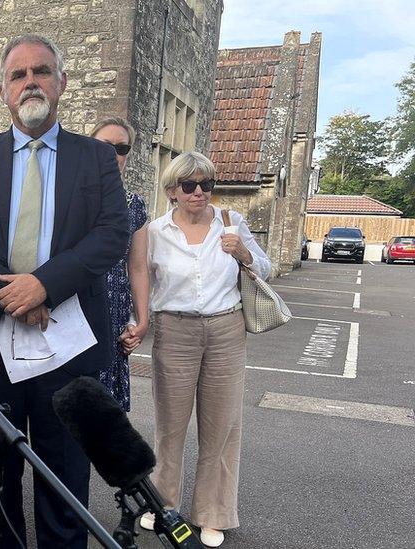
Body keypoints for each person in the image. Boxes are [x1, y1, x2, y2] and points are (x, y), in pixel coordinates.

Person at [0, 34, 130, 549]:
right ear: (3, 90)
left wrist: (44, 284)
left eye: (41, 71)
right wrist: (12, 292)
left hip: (67, 344)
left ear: (62, 82)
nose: (30, 82)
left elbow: (112, 233)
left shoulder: (95, 158)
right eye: (18, 75)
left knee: (64, 475)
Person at [128, 152, 270, 548]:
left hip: (227, 327)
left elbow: (266, 267)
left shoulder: (231, 223)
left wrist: (243, 252)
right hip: (174, 329)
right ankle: (163, 503)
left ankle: (213, 512)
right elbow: (140, 278)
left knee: (222, 426)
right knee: (170, 425)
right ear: (172, 190)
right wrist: (138, 322)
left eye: (206, 185)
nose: (198, 193)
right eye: (189, 186)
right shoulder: (154, 231)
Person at [90, 116, 149, 412]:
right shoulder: (71, 198)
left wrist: (141, 321)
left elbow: (137, 267)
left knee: (106, 418)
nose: (113, 154)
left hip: (113, 316)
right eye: (105, 145)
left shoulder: (134, 205)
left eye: (121, 148)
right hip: (75, 312)